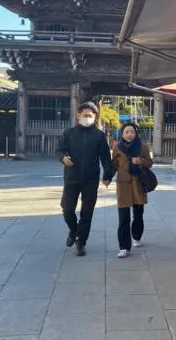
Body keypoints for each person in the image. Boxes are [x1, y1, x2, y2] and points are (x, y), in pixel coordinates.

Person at [55, 101, 112, 257]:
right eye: (84, 115)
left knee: (87, 212)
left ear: (95, 117)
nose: (87, 117)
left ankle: (81, 243)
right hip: (71, 177)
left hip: (90, 179)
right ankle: (73, 230)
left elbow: (106, 158)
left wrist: (107, 175)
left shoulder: (99, 136)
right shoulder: (69, 133)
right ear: (78, 115)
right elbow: (59, 150)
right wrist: (63, 158)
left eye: (90, 115)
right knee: (67, 209)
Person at [103, 122, 153, 258]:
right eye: (126, 132)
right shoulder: (117, 148)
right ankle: (124, 247)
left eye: (132, 132)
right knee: (123, 217)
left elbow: (150, 163)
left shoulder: (142, 146)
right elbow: (113, 165)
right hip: (123, 184)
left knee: (138, 214)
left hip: (138, 184)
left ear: (136, 133)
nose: (129, 134)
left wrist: (141, 162)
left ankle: (136, 236)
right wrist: (107, 177)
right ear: (122, 134)